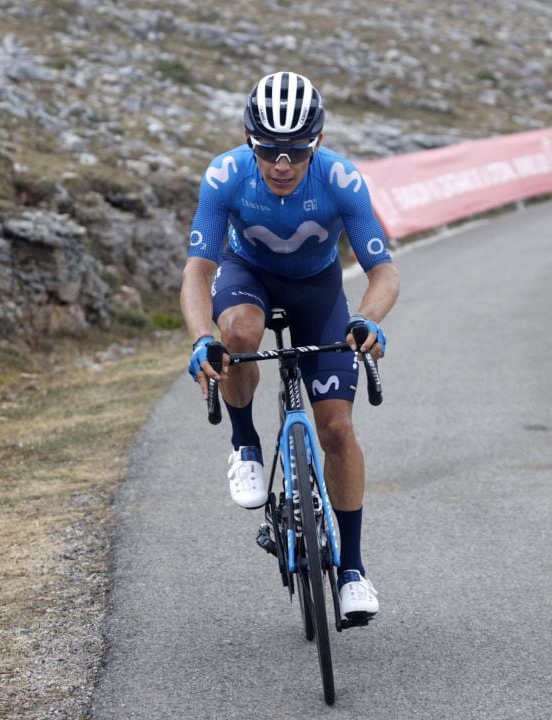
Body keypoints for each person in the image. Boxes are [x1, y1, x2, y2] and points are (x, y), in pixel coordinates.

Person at [180, 71, 399, 621]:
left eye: (296, 150)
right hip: (246, 276)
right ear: (251, 141)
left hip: (317, 292)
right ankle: (246, 444)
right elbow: (197, 271)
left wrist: (367, 321)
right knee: (238, 335)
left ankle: (352, 569)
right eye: (269, 149)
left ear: (316, 143)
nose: (282, 164)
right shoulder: (226, 176)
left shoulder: (341, 180)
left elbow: (384, 274)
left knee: (337, 430)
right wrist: (201, 339)